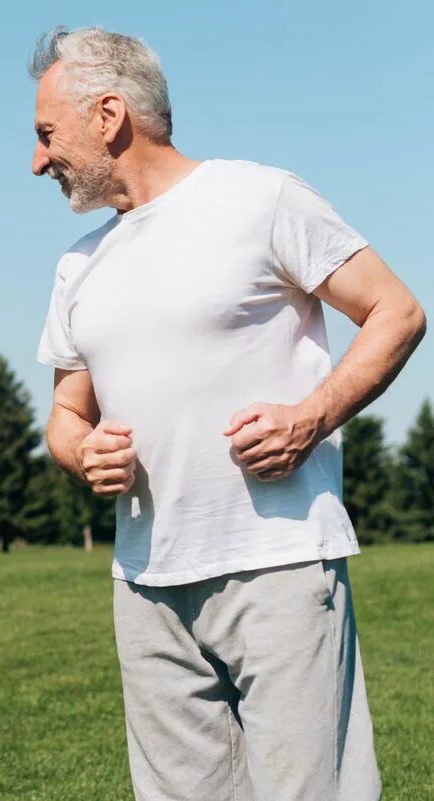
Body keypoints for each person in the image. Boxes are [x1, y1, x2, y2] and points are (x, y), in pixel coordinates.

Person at [29, 26, 425, 801]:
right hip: (145, 584)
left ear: (109, 115)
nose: (38, 160)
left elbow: (396, 311)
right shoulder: (78, 262)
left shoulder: (260, 198)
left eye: (47, 135)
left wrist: (309, 417)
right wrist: (81, 452)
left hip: (276, 565)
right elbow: (63, 415)